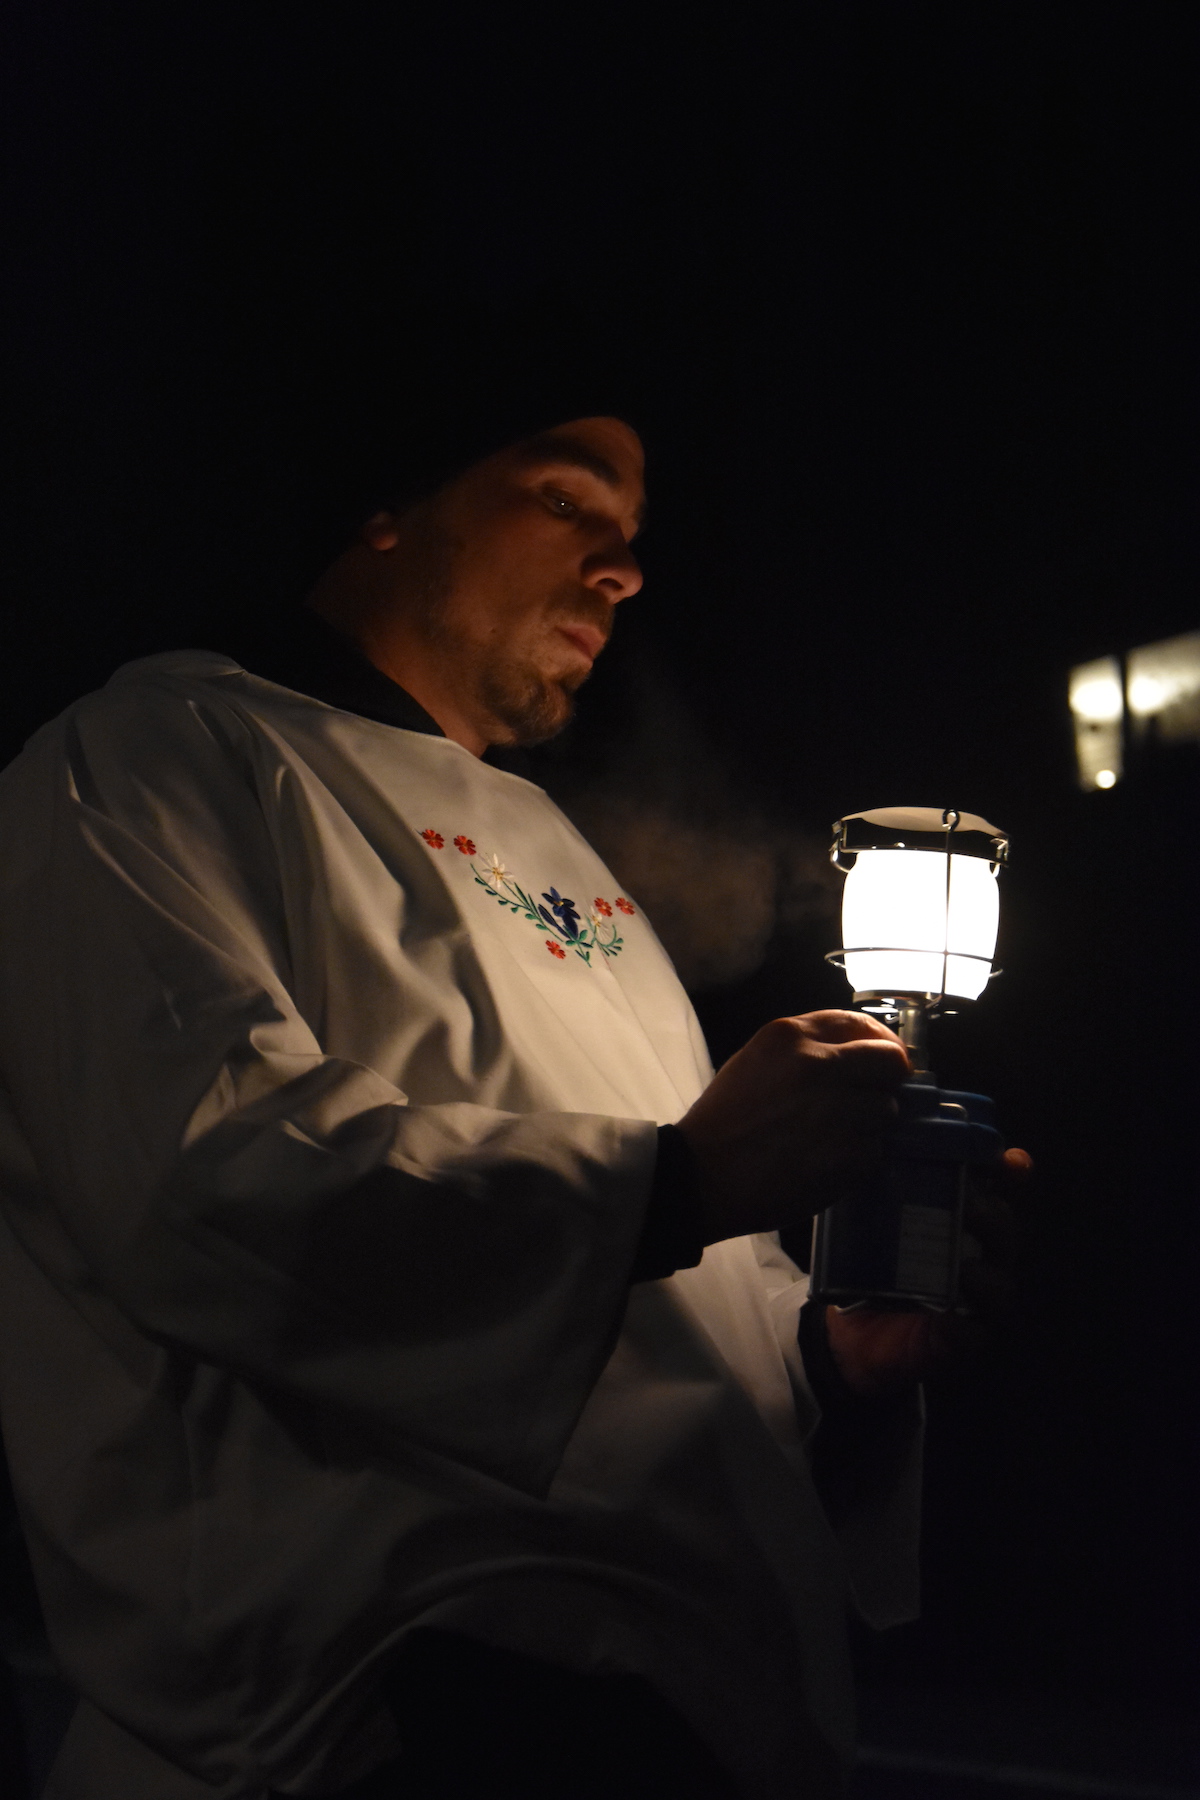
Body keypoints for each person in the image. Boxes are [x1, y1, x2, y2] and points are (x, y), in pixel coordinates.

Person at [0, 409, 1028, 1799]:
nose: (623, 569)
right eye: (565, 500)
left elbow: (669, 1302)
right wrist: (683, 1181)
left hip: (681, 1707)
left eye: (634, 537)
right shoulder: (154, 757)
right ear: (386, 503)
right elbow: (205, 1184)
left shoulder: (553, 849)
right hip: (370, 1714)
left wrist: (827, 1365)